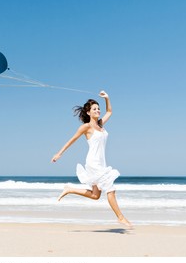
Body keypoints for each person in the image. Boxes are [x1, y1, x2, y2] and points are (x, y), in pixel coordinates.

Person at [51, 91, 132, 227]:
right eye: (95, 109)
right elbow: (72, 140)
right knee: (110, 189)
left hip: (101, 162)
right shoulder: (86, 127)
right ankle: (120, 217)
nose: (98, 110)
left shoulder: (100, 124)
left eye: (98, 108)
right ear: (88, 112)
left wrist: (107, 98)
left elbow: (110, 111)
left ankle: (70, 189)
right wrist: (59, 153)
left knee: (95, 195)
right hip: (94, 163)